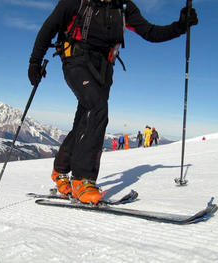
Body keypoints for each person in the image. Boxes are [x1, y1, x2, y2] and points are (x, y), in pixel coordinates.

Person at [29, 0, 198, 204]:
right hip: (76, 61)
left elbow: (150, 32)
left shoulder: (124, 7)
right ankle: (82, 180)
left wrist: (180, 26)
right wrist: (34, 62)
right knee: (97, 108)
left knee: (86, 119)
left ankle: (60, 171)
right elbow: (49, 28)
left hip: (104, 69)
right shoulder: (76, 1)